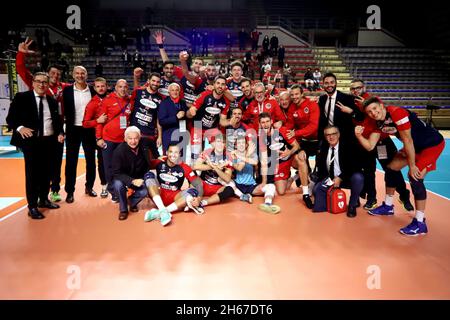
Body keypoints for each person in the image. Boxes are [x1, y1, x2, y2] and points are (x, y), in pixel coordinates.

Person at [355, 97, 445, 235]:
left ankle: (420, 223)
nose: (373, 113)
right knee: (391, 169)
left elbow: (407, 140)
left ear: (381, 105)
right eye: (369, 112)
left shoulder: (397, 113)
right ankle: (388, 206)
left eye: (374, 108)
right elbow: (370, 146)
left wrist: (412, 165)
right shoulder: (377, 123)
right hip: (414, 146)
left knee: (415, 177)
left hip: (431, 145)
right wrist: (359, 136)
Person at [6, 72, 64, 219]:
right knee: (32, 174)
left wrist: (60, 132)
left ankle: (43, 199)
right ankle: (32, 206)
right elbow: (10, 118)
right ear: (33, 83)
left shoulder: (51, 101)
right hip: (31, 142)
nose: (41, 84)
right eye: (38, 81)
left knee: (47, 172)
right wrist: (20, 128)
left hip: (49, 141)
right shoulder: (22, 98)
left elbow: (56, 120)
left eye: (44, 82)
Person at [144, 143, 205, 225]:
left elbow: (198, 184)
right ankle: (163, 209)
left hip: (175, 197)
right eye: (171, 152)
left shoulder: (184, 167)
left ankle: (161, 212)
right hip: (159, 193)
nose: (173, 155)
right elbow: (143, 165)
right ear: (166, 152)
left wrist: (199, 199)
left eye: (176, 152)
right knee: (148, 175)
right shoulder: (160, 161)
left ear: (179, 154)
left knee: (193, 192)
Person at [62, 66, 97, 203]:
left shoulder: (93, 91)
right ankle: (70, 191)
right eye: (77, 73)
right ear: (73, 75)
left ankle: (89, 187)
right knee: (71, 161)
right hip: (72, 129)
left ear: (86, 75)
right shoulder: (67, 91)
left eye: (82, 73)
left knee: (90, 161)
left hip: (89, 129)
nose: (80, 75)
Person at [312, 126, 364, 218]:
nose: (331, 137)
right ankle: (330, 199)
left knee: (358, 178)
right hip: (330, 178)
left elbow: (354, 166)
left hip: (346, 178)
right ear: (325, 137)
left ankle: (352, 205)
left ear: (338, 134)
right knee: (316, 191)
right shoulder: (322, 147)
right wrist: (321, 182)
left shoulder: (348, 146)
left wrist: (340, 177)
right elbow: (321, 168)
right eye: (328, 135)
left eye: (333, 134)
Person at [96, 79, 132, 201]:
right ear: (115, 87)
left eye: (125, 87)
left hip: (123, 141)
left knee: (123, 167)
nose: (123, 89)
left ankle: (122, 189)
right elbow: (100, 121)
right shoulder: (107, 100)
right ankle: (113, 192)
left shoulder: (129, 100)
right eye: (120, 87)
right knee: (109, 167)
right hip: (108, 140)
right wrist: (99, 138)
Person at [112, 126, 151, 220]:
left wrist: (158, 158)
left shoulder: (144, 145)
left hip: (139, 177)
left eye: (135, 138)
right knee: (117, 184)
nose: (133, 141)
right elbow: (116, 173)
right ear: (125, 139)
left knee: (145, 191)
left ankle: (131, 202)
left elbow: (152, 148)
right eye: (130, 138)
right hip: (124, 178)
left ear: (139, 138)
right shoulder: (119, 151)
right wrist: (132, 181)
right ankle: (123, 210)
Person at [82, 77, 109, 198]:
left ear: (107, 86)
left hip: (105, 136)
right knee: (90, 164)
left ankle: (104, 186)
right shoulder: (92, 103)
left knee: (103, 162)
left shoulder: (111, 99)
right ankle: (89, 187)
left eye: (102, 86)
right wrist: (97, 121)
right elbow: (85, 123)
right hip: (89, 137)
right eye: (98, 86)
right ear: (94, 88)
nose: (101, 88)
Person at [129, 72, 163, 159]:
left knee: (146, 161)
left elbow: (159, 119)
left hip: (149, 134)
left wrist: (159, 137)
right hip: (134, 133)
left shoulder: (160, 99)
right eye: (153, 81)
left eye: (158, 82)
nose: (155, 83)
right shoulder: (138, 92)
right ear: (148, 81)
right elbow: (129, 109)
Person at [158, 82, 188, 155]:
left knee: (181, 158)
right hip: (169, 136)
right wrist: (176, 117)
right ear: (169, 92)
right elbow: (162, 121)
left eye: (177, 90)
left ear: (179, 91)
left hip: (181, 136)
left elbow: (185, 119)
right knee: (169, 158)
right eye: (172, 90)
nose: (175, 92)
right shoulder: (164, 103)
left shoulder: (183, 103)